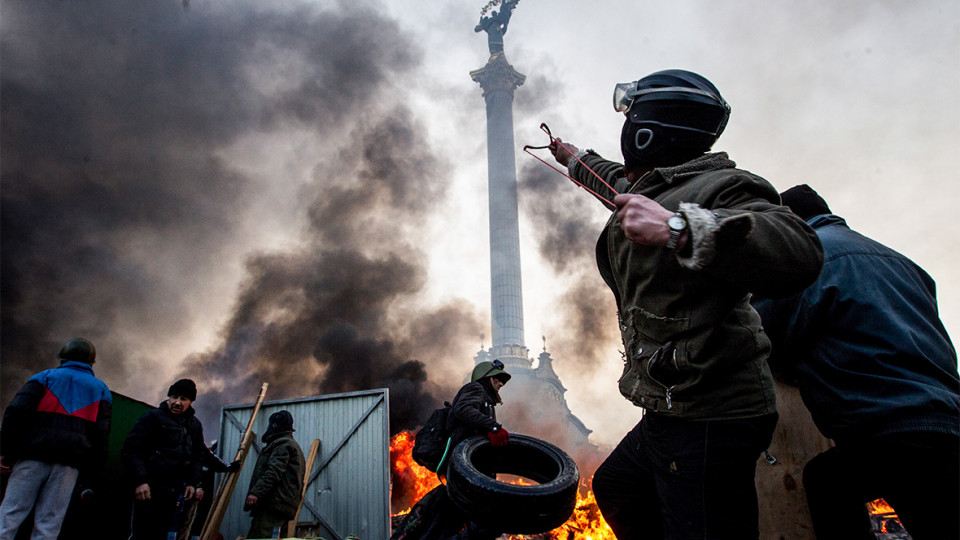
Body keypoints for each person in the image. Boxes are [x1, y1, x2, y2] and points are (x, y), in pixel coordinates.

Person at [546, 69, 823, 539]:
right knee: (618, 486)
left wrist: (681, 229)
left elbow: (800, 249)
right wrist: (574, 159)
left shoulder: (727, 187)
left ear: (648, 130)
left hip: (713, 412)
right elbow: (617, 183)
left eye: (632, 119)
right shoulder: (657, 187)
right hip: (673, 404)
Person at [752, 184, 960, 540]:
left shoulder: (806, 260)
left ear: (787, 224)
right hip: (947, 421)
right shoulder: (903, 262)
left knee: (827, 482)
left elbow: (756, 333)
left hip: (886, 428)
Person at [0, 338, 112, 540]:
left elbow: (15, 414)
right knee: (49, 523)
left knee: (10, 515)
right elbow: (101, 434)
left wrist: (6, 453)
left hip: (32, 458)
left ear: (63, 357)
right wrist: (91, 474)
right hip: (68, 467)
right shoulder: (101, 389)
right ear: (91, 362)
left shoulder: (43, 378)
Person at [391, 360, 511, 540]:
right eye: (498, 378)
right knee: (470, 516)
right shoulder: (476, 389)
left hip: (470, 468)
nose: (501, 383)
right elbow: (463, 409)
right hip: (463, 465)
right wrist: (493, 427)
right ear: (486, 377)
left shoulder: (487, 402)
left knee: (451, 519)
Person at [122, 379, 206, 540]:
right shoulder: (152, 418)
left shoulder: (194, 425)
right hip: (147, 489)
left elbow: (198, 456)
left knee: (161, 533)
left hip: (172, 492)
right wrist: (140, 481)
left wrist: (192, 482)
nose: (177, 402)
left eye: (183, 399)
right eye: (174, 397)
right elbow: (132, 450)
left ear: (191, 402)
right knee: (139, 533)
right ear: (168, 397)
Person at [243, 410, 306, 539]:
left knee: (259, 537)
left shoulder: (283, 445)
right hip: (281, 508)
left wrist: (256, 492)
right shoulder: (291, 445)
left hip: (272, 506)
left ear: (274, 426)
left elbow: (274, 472)